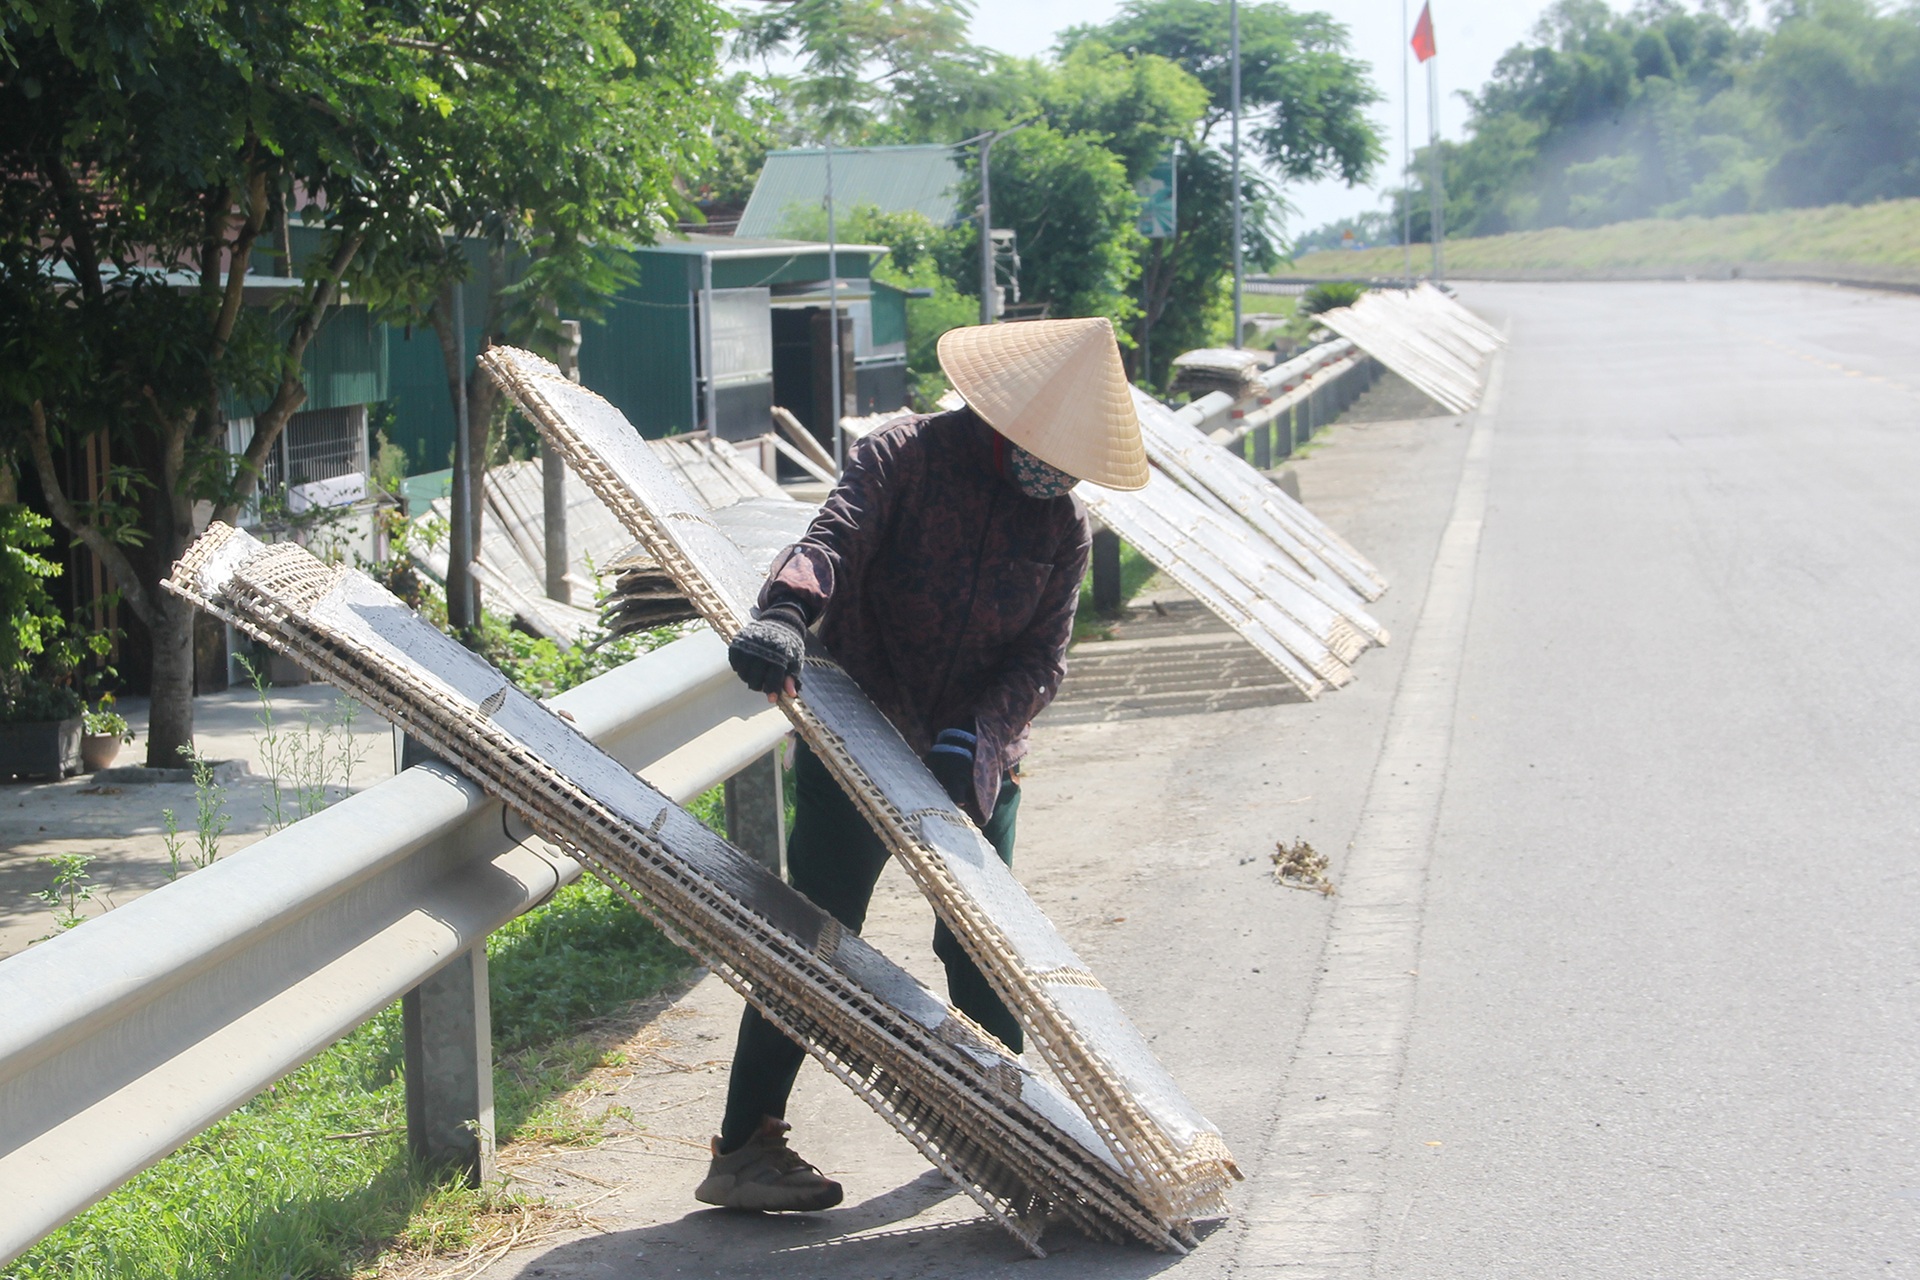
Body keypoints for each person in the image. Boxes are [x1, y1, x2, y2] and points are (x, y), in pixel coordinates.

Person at [693, 317, 1151, 1213]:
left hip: (970, 758)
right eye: (1045, 447)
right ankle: (745, 1147)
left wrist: (977, 737)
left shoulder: (1063, 528)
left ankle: (1003, 1132)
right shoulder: (902, 456)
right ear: (1001, 415)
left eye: (1071, 458)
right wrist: (786, 614)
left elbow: (1041, 662)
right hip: (858, 729)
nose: (1054, 468)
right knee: (815, 942)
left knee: (982, 946)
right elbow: (835, 535)